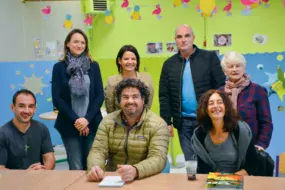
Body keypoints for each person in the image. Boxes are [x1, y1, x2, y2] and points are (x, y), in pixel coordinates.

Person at [159, 24, 225, 161]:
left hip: (208, 119)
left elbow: (221, 87)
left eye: (187, 36)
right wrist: (167, 121)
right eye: (179, 36)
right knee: (191, 162)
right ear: (175, 40)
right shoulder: (168, 65)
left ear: (193, 38)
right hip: (183, 123)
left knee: (212, 159)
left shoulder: (209, 58)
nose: (183, 40)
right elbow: (164, 96)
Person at [87, 78, 169, 182]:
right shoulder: (108, 121)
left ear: (143, 100)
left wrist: (136, 170)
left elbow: (158, 158)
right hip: (112, 179)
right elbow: (98, 150)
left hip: (144, 178)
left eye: (135, 97)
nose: (130, 101)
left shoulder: (158, 124)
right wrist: (95, 167)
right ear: (119, 100)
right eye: (125, 97)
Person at [52, 28, 104, 170]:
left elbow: (99, 95)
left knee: (92, 165)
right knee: (76, 166)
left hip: (91, 123)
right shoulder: (58, 67)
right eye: (75, 41)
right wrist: (77, 120)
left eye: (82, 42)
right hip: (69, 124)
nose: (79, 45)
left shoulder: (93, 66)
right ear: (67, 44)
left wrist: (86, 119)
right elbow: (57, 99)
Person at [191, 90, 258, 175]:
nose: (216, 106)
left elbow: (252, 164)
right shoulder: (199, 135)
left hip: (239, 180)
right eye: (211, 103)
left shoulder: (241, 130)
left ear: (226, 107)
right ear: (206, 110)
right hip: (211, 182)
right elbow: (202, 168)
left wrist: (230, 180)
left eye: (219, 102)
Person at [220, 51, 273, 150]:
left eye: (238, 66)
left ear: (244, 68)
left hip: (251, 147)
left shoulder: (258, 90)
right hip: (225, 148)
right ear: (224, 71)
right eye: (230, 66)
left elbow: (266, 122)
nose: (234, 69)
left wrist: (261, 144)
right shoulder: (219, 93)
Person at [0, 89, 55, 170]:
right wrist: (26, 175)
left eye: (31, 106)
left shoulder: (42, 128)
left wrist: (44, 170)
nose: (26, 111)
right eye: (21, 106)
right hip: (13, 181)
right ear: (13, 107)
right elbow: (0, 169)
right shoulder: (3, 134)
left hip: (38, 179)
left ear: (35, 109)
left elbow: (50, 159)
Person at [105, 45, 154, 114]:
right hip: (118, 122)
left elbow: (147, 105)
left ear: (137, 61)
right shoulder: (112, 81)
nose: (130, 62)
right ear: (119, 61)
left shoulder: (147, 79)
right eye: (126, 59)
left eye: (133, 59)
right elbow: (110, 108)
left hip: (142, 121)